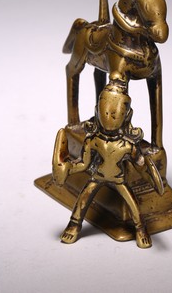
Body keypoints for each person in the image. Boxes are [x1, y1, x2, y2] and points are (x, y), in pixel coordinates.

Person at [52, 77, 155, 248]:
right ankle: (74, 224)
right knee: (83, 197)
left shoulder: (127, 145)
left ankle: (141, 228)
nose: (110, 116)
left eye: (115, 113)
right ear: (97, 111)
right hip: (97, 176)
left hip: (119, 179)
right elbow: (83, 164)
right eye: (105, 112)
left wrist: (149, 170)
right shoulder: (93, 141)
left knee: (132, 203)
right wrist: (68, 168)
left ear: (127, 115)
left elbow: (141, 164)